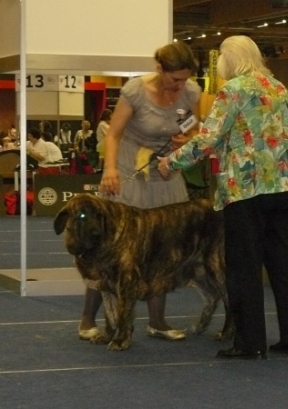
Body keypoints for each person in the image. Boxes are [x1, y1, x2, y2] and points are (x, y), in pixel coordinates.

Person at [158, 35, 288, 360]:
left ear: (231, 58)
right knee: (284, 263)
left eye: (222, 56)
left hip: (247, 188)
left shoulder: (233, 89)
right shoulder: (279, 87)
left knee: (244, 266)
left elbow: (208, 139)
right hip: (286, 185)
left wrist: (172, 162)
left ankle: (250, 342)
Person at [79, 41, 201, 342]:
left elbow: (196, 130)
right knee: (112, 251)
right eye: (175, 79)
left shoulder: (191, 92)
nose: (179, 85)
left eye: (184, 79)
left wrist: (186, 141)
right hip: (128, 172)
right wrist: (110, 170)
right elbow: (114, 135)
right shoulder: (135, 91)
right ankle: (87, 321)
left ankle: (157, 322)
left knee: (163, 248)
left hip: (166, 172)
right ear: (160, 69)